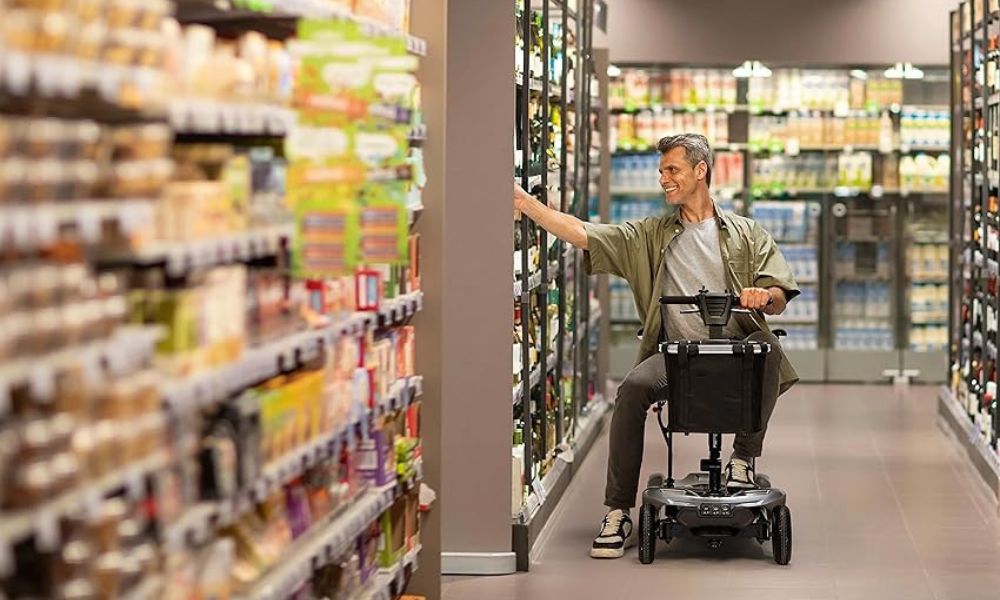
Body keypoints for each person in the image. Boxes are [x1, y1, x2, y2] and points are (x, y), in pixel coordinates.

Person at [512, 133, 800, 559]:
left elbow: (778, 292)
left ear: (700, 171)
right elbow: (582, 233)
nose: (663, 178)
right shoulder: (647, 235)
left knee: (768, 350)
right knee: (630, 390)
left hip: (737, 355)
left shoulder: (745, 233)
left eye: (672, 170)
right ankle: (617, 510)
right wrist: (524, 203)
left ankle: (743, 457)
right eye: (661, 170)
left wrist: (764, 295)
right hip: (677, 359)